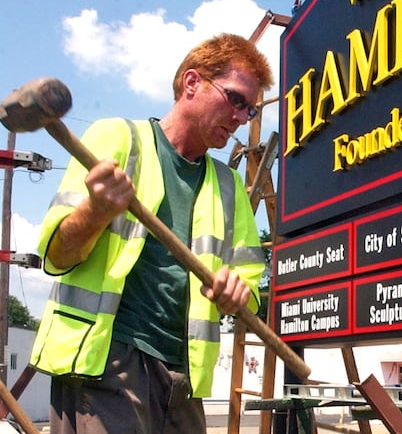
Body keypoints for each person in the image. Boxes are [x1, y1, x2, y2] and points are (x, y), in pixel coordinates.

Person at [29, 33, 273, 433]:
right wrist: (95, 210)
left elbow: (247, 279)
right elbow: (57, 256)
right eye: (235, 99)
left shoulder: (229, 186)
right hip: (106, 360)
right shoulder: (117, 139)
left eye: (250, 109)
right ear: (192, 82)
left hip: (183, 376)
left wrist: (239, 292)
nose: (241, 118)